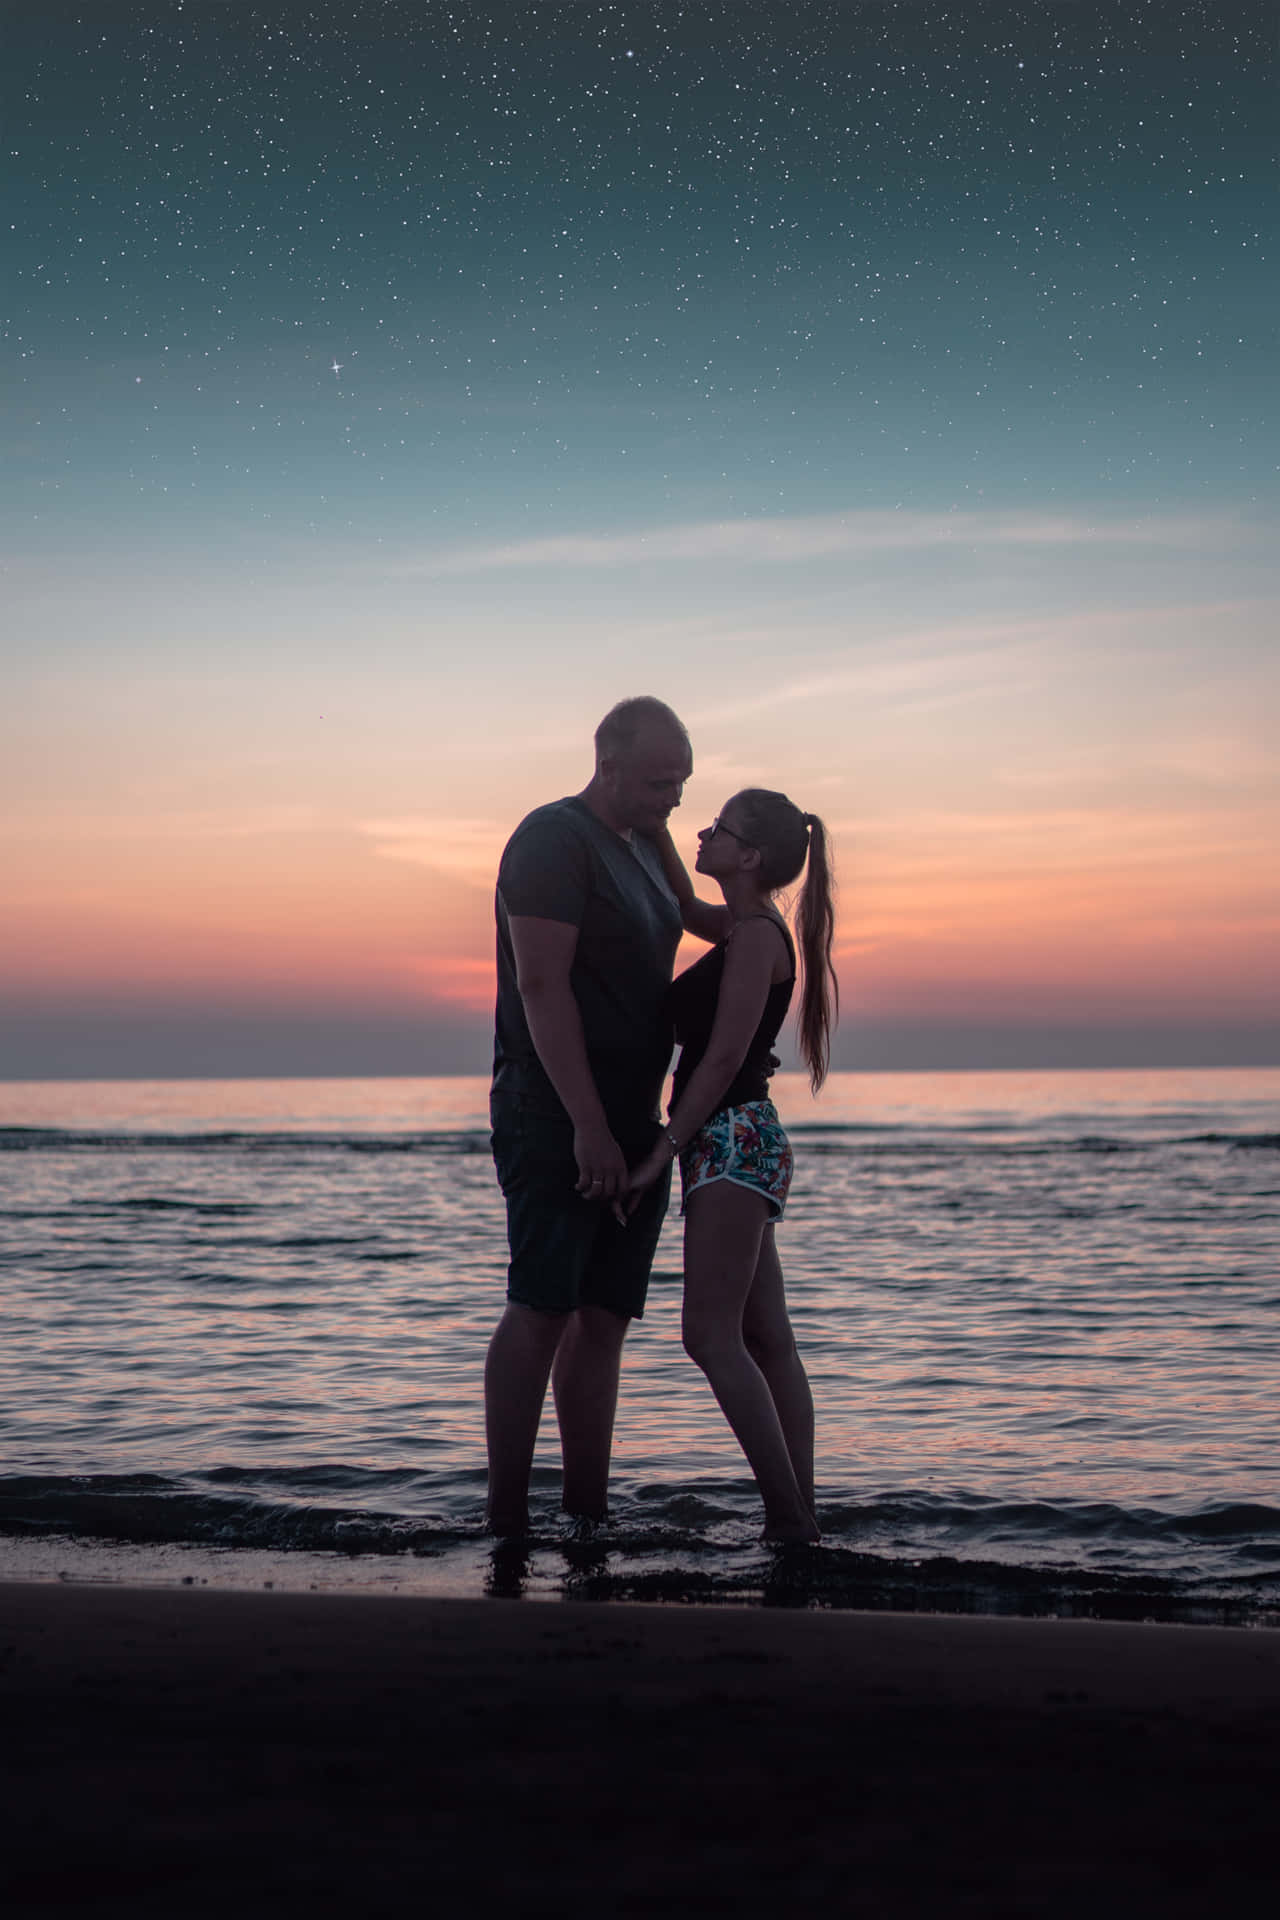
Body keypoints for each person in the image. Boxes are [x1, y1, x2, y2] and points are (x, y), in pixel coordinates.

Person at [484, 696, 693, 1534]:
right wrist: (590, 1126)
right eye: (657, 781)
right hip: (554, 1112)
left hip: (635, 1118)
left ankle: (587, 1515)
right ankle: (505, 1521)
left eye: (681, 781)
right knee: (543, 1305)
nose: (672, 796)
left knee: (604, 1316)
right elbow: (540, 987)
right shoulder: (552, 839)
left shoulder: (648, 843)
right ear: (606, 765)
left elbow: (705, 922)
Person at [624, 790, 837, 1544]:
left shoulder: (754, 940)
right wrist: (651, 830)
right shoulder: (746, 926)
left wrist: (664, 1149)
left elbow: (719, 1060)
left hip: (730, 1140)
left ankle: (788, 1519)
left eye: (720, 829)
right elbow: (683, 904)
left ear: (750, 857)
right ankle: (799, 1514)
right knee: (767, 1339)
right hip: (743, 1142)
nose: (704, 833)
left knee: (709, 1337)